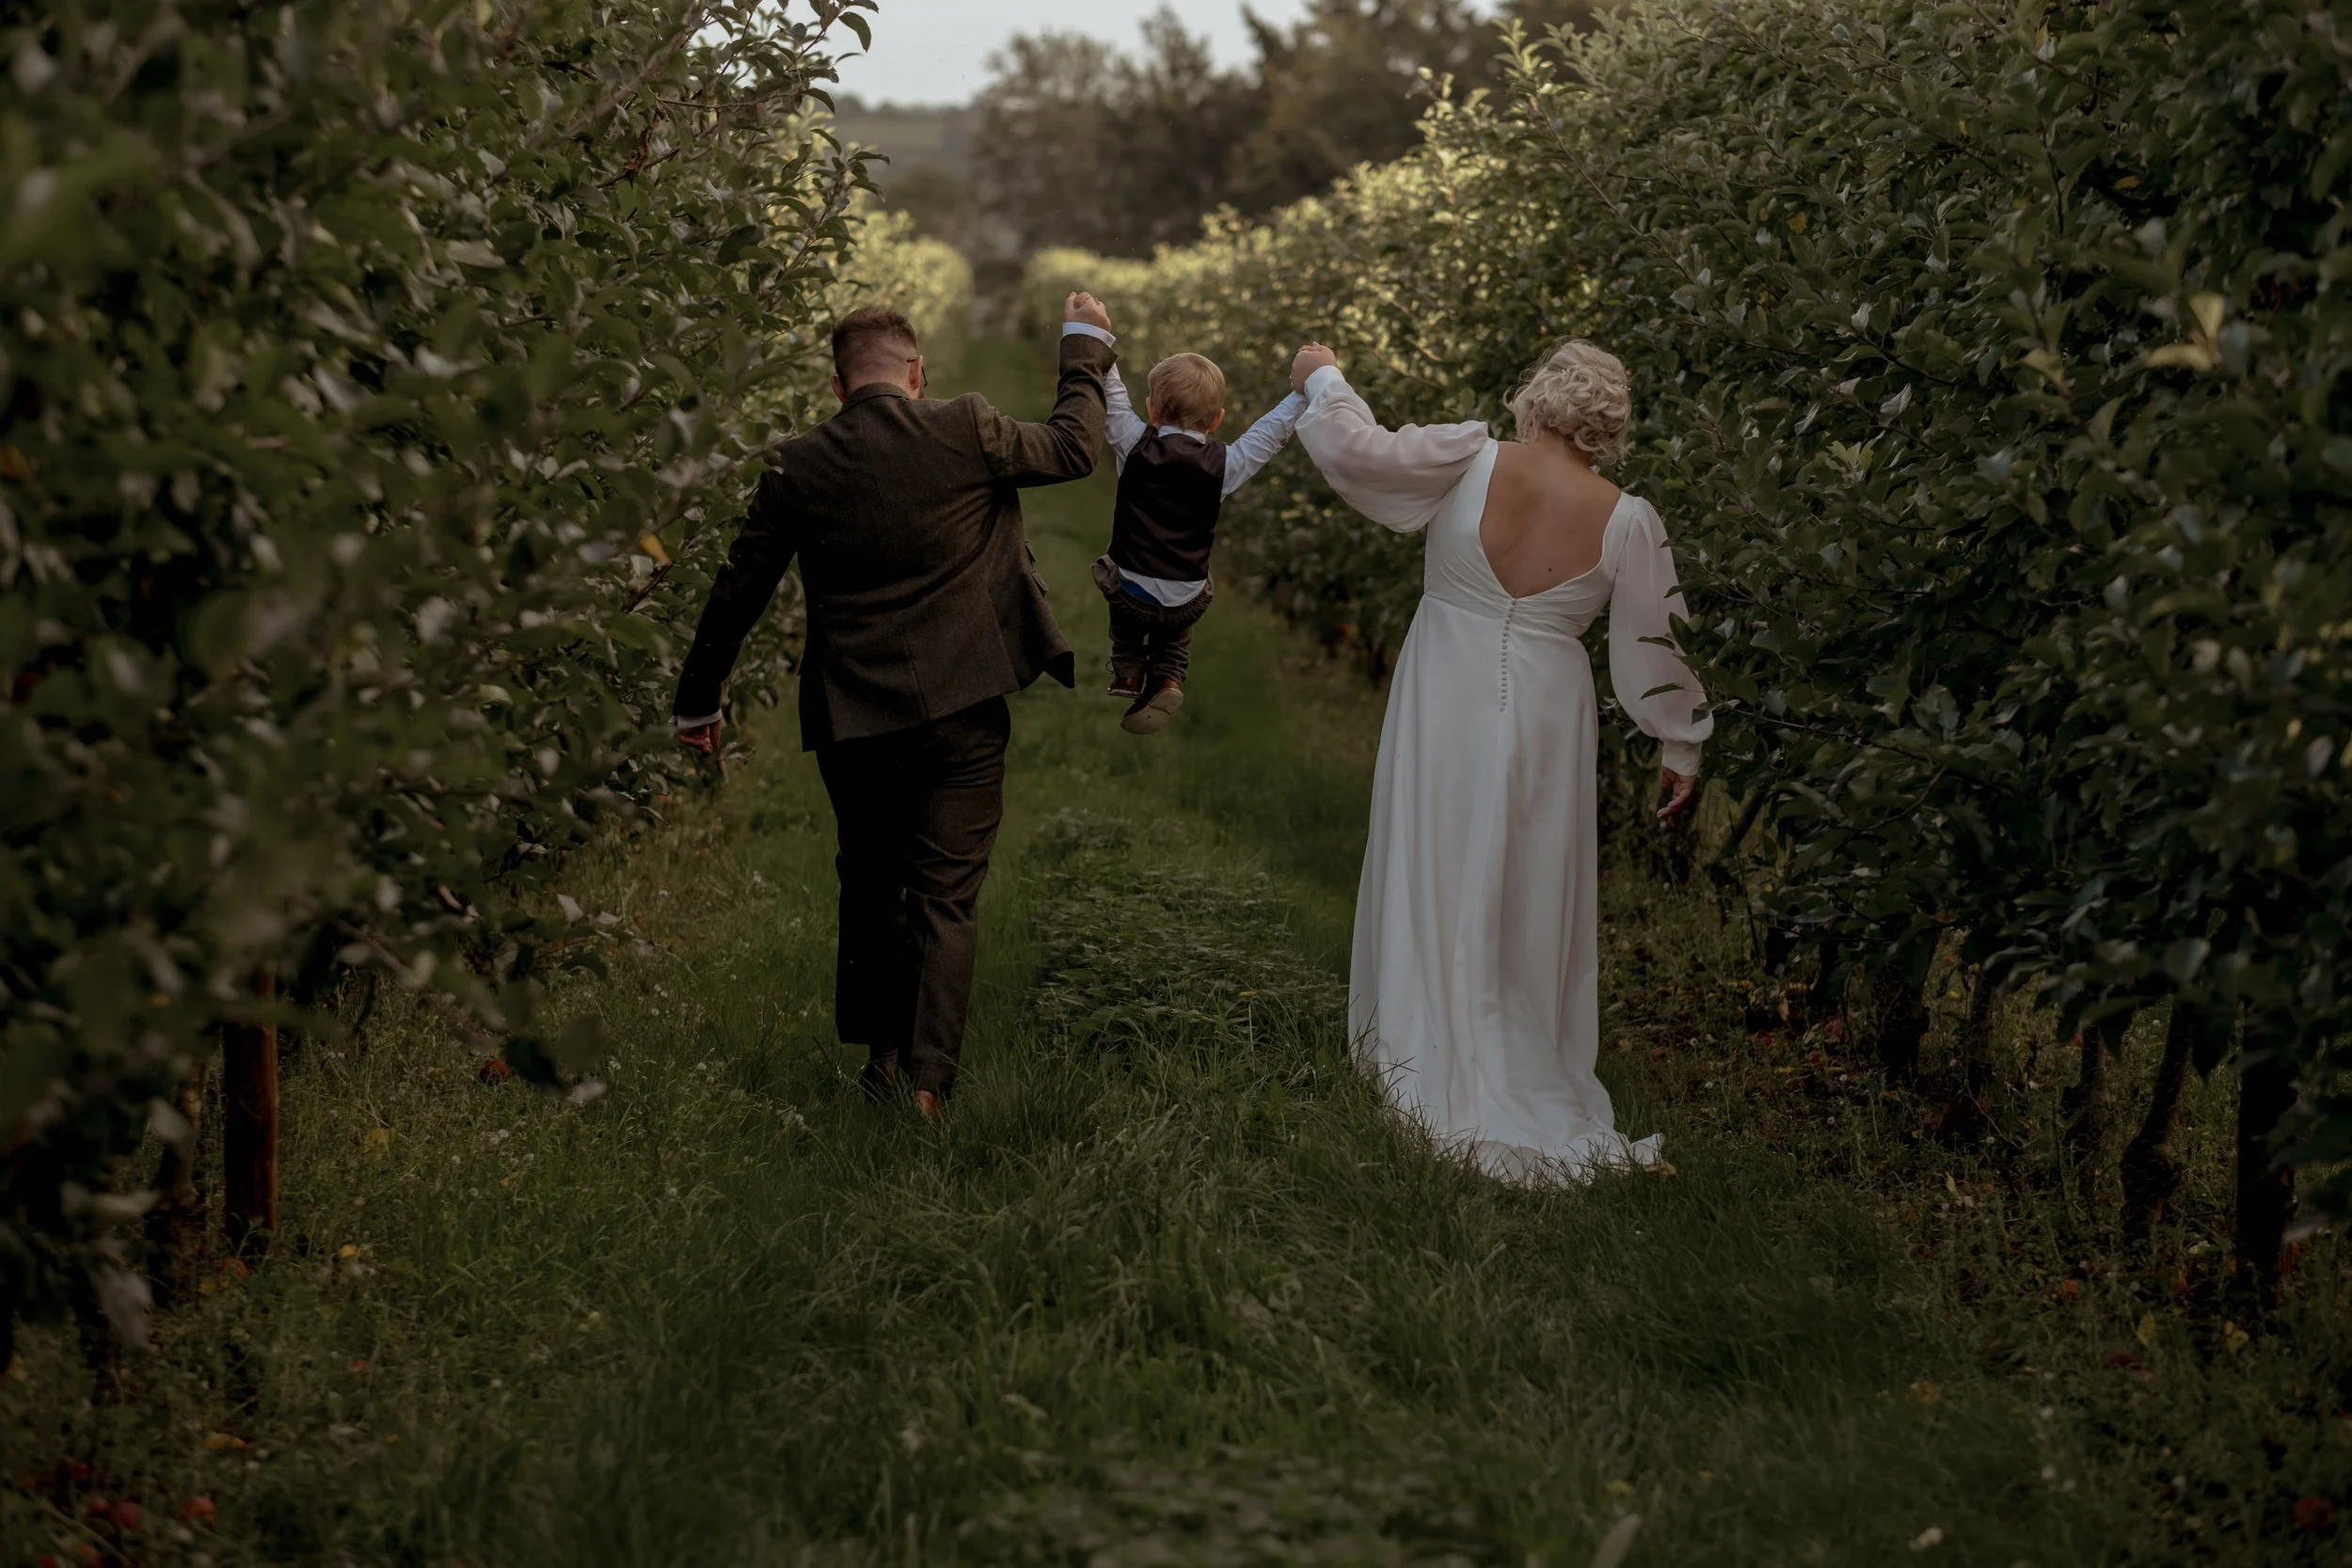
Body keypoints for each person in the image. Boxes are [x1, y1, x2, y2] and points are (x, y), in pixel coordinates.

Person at [671, 296, 1120, 1117]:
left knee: (874, 883)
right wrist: (1083, 352)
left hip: (855, 718)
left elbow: (740, 587)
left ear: (837, 385)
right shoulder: (966, 426)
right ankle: (926, 1082)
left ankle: (881, 1058)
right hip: (963, 703)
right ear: (916, 374)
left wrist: (697, 700)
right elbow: (1072, 448)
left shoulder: (797, 465)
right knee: (946, 892)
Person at [1288, 338, 1710, 1180]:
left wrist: (1323, 378)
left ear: (1536, 399)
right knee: (1524, 880)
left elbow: (1356, 450)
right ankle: (1512, 1049)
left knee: (1432, 853)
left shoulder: (1467, 456)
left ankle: (1421, 1043)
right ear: (1608, 425)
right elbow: (1654, 644)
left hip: (1445, 680)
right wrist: (1681, 740)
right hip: (1551, 709)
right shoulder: (1628, 518)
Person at [1089, 350, 1304, 734]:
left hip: (1131, 595)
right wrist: (1302, 393)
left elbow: (1114, 398)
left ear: (1153, 410)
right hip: (1187, 598)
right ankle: (1169, 677)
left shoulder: (1134, 443)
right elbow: (1269, 433)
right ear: (1217, 419)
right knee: (1177, 623)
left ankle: (1127, 671)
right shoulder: (1226, 464)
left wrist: (1102, 340)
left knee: (1116, 581)